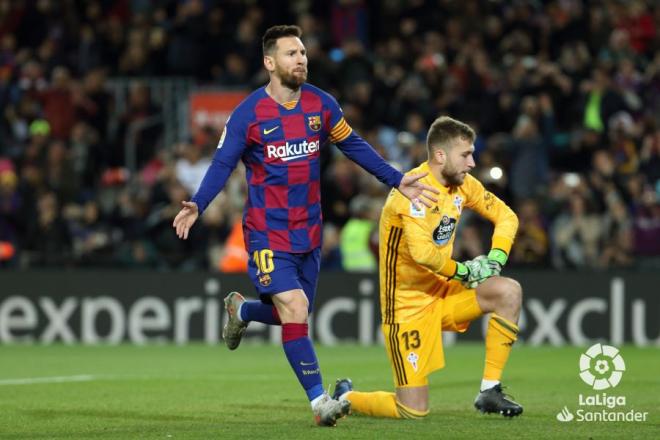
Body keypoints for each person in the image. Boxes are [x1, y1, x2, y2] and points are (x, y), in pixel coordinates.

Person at [172, 25, 438, 427]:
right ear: (269, 62)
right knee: (294, 307)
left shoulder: (321, 105)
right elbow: (223, 164)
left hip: (308, 232)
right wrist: (199, 203)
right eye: (291, 53)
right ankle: (320, 403)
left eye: (302, 52)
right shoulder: (248, 115)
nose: (301, 59)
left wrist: (396, 178)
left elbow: (354, 145)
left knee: (291, 316)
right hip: (266, 232)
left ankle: (241, 308)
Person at [332, 116, 523, 419]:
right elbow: (422, 254)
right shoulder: (411, 192)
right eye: (465, 155)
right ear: (440, 155)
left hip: (443, 292)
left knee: (508, 292)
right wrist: (465, 271)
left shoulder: (463, 186)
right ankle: (347, 397)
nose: (472, 162)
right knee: (412, 411)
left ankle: (489, 390)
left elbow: (507, 216)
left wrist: (496, 259)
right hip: (406, 307)